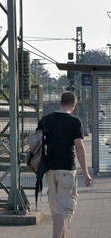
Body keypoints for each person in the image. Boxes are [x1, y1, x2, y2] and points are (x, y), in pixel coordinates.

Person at [38, 91, 92, 238]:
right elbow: (79, 147)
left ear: (60, 102)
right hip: (67, 169)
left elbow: (38, 143)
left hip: (50, 170)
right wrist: (86, 173)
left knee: (56, 208)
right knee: (62, 208)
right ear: (73, 105)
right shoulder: (75, 122)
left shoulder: (46, 120)